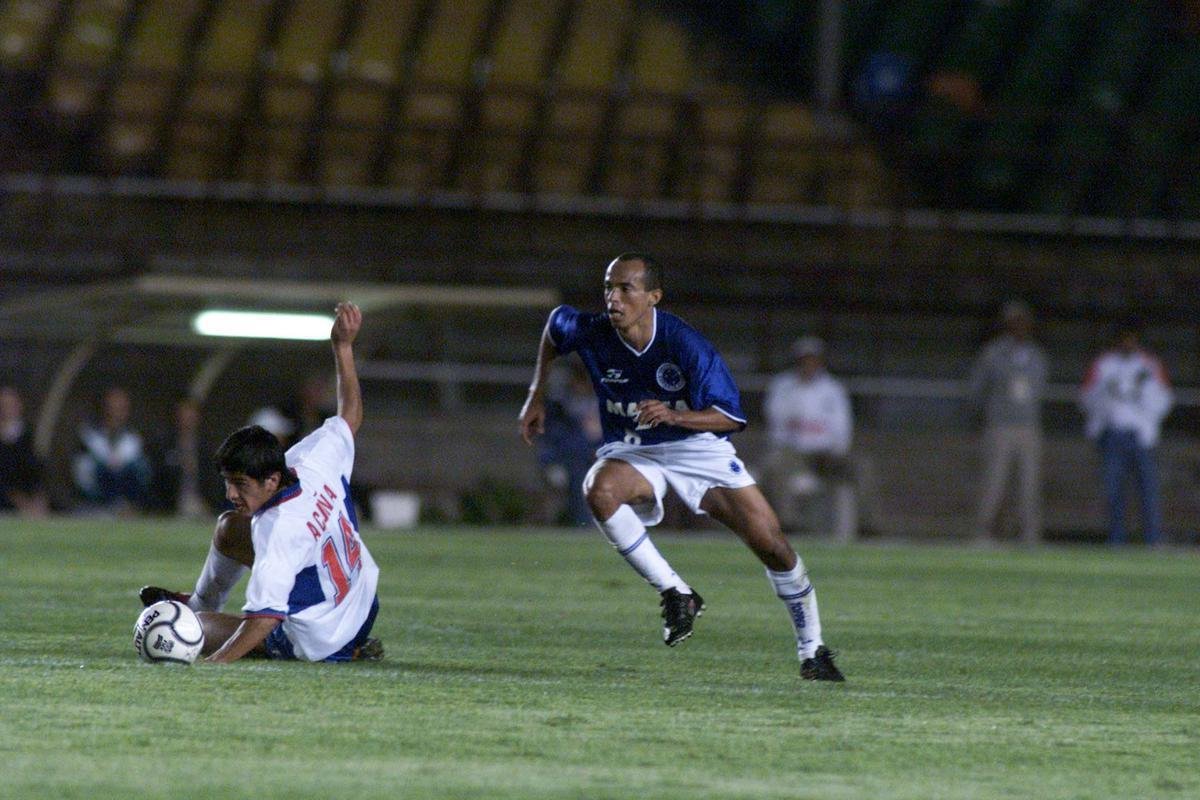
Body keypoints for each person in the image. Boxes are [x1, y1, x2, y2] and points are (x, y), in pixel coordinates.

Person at [519, 252, 844, 681]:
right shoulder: (595, 332)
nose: (613, 298)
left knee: (772, 544)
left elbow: (731, 416)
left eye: (624, 289)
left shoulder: (683, 344)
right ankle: (676, 591)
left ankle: (813, 650)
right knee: (599, 490)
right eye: (608, 288)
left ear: (653, 296)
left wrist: (675, 416)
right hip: (636, 449)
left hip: (696, 448)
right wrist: (535, 394)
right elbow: (554, 328)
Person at [139, 302, 382, 663]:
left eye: (240, 484)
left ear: (271, 479)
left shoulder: (278, 527)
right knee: (230, 527)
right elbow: (350, 416)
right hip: (361, 603)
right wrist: (342, 348)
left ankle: (200, 613)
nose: (230, 493)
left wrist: (213, 662)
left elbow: (265, 619)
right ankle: (199, 600)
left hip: (327, 639)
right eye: (227, 481)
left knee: (191, 628)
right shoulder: (311, 460)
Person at [1080, 321, 1173, 546]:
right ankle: (1117, 539)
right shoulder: (1104, 364)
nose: (1127, 343)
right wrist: (1105, 409)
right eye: (1123, 339)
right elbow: (1086, 396)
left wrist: (1145, 416)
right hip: (1113, 434)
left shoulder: (1150, 365)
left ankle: (1152, 539)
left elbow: (1164, 398)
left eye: (1131, 339)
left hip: (1140, 436)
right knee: (1113, 490)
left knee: (1148, 490)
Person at [761, 336, 858, 542]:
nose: (808, 364)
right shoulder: (782, 386)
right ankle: (789, 523)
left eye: (813, 359)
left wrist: (836, 451)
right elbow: (776, 423)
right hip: (792, 451)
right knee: (775, 466)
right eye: (804, 359)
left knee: (862, 468)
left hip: (826, 453)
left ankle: (869, 527)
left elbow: (843, 426)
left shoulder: (833, 389)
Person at [968, 301, 1048, 544]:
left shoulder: (1036, 356)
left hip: (1028, 426)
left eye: (1023, 321)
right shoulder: (993, 353)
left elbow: (1039, 389)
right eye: (1014, 322)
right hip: (1000, 425)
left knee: (1029, 484)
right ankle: (983, 532)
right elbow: (977, 389)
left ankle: (1029, 534)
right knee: (993, 482)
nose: (1019, 327)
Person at [536, 359, 603, 526]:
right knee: (578, 491)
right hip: (571, 460)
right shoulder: (559, 406)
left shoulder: (602, 401)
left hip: (598, 457)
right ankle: (581, 526)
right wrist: (550, 463)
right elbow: (550, 436)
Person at [73, 385, 152, 513]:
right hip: (96, 502)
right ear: (104, 408)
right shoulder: (89, 437)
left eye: (121, 408)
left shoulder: (134, 439)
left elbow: (143, 475)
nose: (116, 412)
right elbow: (82, 474)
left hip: (129, 504)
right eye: (112, 407)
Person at [148, 398, 215, 519]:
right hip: (172, 501)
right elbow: (158, 476)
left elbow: (212, 478)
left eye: (191, 413)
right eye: (183, 413)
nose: (187, 418)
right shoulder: (164, 444)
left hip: (200, 501)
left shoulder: (205, 446)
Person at [0, 386, 49, 517]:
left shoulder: (27, 436)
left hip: (26, 494)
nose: (6, 410)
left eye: (10, 405)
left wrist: (37, 498)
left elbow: (35, 470)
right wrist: (19, 501)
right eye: (3, 405)